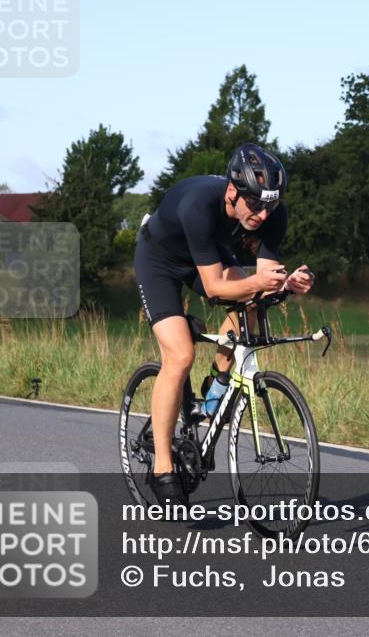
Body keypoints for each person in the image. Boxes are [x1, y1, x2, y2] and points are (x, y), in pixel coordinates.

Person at [134, 143, 314, 506]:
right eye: (255, 205)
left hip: (207, 257)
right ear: (233, 192)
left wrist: (288, 282)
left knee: (255, 300)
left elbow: (264, 277)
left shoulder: (273, 214)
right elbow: (216, 289)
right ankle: (162, 470)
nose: (263, 215)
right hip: (159, 261)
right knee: (180, 355)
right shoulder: (198, 205)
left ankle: (217, 385)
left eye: (270, 206)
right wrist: (260, 285)